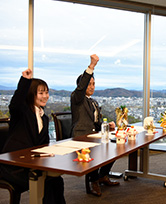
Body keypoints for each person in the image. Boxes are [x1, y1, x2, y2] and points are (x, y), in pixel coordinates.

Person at [0, 68, 66, 203]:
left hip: (31, 163)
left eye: (47, 92)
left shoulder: (44, 118)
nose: (45, 96)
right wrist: (25, 80)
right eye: (41, 93)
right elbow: (15, 104)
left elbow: (43, 145)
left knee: (57, 180)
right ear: (31, 94)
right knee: (46, 181)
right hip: (13, 166)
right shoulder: (22, 112)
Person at [71, 54, 119, 197]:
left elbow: (96, 123)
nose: (91, 87)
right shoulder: (77, 98)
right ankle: (93, 181)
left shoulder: (94, 102)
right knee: (93, 150)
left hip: (94, 135)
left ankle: (102, 175)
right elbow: (80, 89)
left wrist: (107, 125)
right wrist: (91, 66)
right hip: (81, 137)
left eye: (93, 84)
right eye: (89, 84)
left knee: (115, 148)